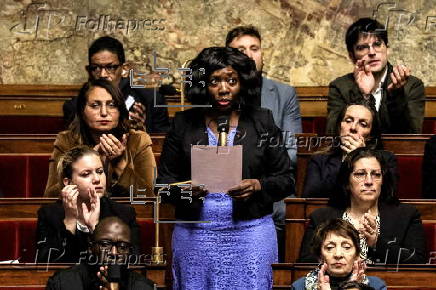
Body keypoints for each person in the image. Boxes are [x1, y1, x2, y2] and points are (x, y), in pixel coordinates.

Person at [156, 47, 294, 289]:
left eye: (231, 80)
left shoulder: (263, 121)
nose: (223, 89)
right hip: (196, 236)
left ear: (242, 83)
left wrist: (258, 185)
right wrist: (185, 190)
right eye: (214, 81)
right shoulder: (182, 124)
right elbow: (163, 186)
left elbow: (285, 179)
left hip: (251, 233)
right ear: (202, 85)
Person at [226, 25, 302, 261]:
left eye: (254, 48)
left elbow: (291, 151)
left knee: (282, 211)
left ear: (262, 54)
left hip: (271, 190)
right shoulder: (216, 92)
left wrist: (258, 180)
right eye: (240, 49)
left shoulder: (284, 93)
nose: (248, 55)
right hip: (224, 189)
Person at [299, 148, 427, 264]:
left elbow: (417, 261)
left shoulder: (406, 215)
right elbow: (305, 264)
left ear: (383, 181)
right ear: (346, 182)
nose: (369, 181)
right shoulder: (321, 217)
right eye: (360, 174)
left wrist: (376, 243)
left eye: (376, 174)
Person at [44, 79, 156, 197]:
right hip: (80, 213)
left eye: (112, 105)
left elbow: (148, 198)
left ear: (120, 111)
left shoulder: (138, 141)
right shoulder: (66, 140)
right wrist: (85, 162)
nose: (104, 112)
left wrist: (120, 164)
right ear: (82, 111)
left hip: (125, 213)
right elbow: (50, 198)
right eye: (95, 105)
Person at [37, 146, 140, 263]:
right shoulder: (49, 214)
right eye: (86, 174)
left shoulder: (124, 214)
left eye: (100, 172)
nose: (97, 179)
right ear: (68, 182)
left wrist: (94, 229)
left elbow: (132, 262)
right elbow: (47, 264)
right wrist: (70, 222)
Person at [326, 18, 425, 134]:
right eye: (362, 47)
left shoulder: (412, 85)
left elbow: (412, 136)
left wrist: (396, 95)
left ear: (387, 49)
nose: (372, 52)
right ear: (352, 56)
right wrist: (364, 95)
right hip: (355, 151)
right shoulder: (339, 87)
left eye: (377, 44)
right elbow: (333, 133)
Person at [63, 36, 170, 133]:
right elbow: (75, 147)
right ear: (88, 71)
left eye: (110, 67)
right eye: (96, 68)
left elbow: (161, 145)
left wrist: (142, 131)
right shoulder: (75, 106)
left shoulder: (151, 100)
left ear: (125, 69)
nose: (102, 74)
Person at [303, 100, 397, 198]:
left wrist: (360, 157)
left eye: (363, 124)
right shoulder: (319, 159)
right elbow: (311, 197)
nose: (353, 127)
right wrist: (347, 161)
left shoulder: (387, 160)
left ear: (371, 135)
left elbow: (388, 196)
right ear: (339, 127)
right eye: (348, 121)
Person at [46, 217, 155, 290]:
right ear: (90, 247)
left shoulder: (143, 287)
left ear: (130, 252)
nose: (114, 253)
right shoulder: (63, 283)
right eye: (105, 244)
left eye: (122, 247)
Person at [292, 219, 386, 290]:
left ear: (357, 255)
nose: (338, 254)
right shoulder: (299, 286)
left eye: (346, 247)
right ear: (320, 256)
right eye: (329, 248)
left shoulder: (376, 286)